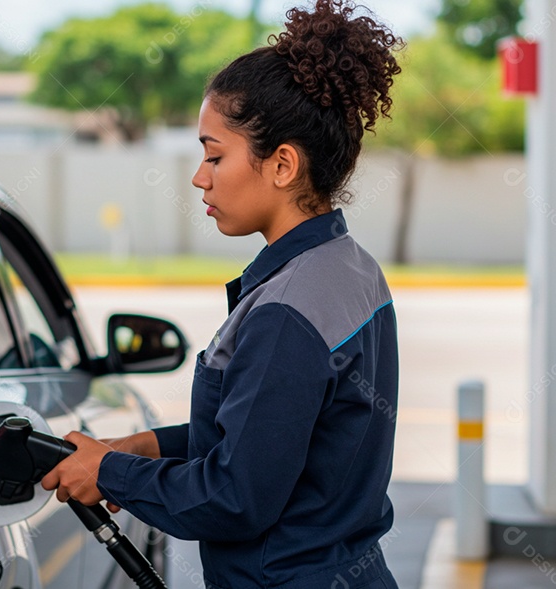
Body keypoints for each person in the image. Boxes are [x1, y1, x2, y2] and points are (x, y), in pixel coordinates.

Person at [42, 1, 402, 586]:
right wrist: (146, 447)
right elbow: (273, 439)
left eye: (215, 155)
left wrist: (110, 474)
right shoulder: (350, 268)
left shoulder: (286, 311)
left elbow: (235, 497)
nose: (199, 177)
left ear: (282, 164)